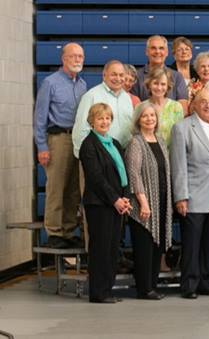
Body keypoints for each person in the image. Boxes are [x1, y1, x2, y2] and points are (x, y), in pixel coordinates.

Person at [169, 89, 209, 299]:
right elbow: (178, 166)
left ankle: (206, 282)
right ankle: (189, 285)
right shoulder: (182, 128)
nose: (208, 105)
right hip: (193, 195)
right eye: (203, 101)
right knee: (192, 244)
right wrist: (180, 196)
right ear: (194, 104)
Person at [79, 103, 132, 303]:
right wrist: (115, 199)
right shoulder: (88, 145)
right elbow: (96, 178)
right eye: (100, 118)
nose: (104, 121)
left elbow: (123, 174)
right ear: (92, 121)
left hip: (116, 204)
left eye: (107, 118)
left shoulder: (115, 143)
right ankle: (98, 292)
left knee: (112, 248)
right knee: (100, 249)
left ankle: (108, 290)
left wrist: (125, 196)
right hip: (99, 204)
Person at [34, 42, 86, 249]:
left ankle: (68, 229)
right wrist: (41, 147)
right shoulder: (50, 82)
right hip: (57, 139)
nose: (77, 60)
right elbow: (39, 118)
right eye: (73, 56)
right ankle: (54, 231)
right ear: (63, 59)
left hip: (77, 140)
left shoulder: (82, 84)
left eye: (80, 57)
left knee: (74, 188)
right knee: (56, 187)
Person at [124, 103, 172, 300]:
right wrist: (144, 203)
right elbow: (134, 174)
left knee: (156, 247)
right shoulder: (136, 142)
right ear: (138, 120)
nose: (149, 119)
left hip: (161, 201)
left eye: (152, 115)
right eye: (145, 116)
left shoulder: (160, 141)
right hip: (143, 204)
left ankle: (152, 285)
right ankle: (144, 288)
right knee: (144, 247)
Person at [73, 61, 135, 158]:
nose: (118, 78)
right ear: (104, 75)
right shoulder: (91, 96)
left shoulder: (126, 98)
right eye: (113, 74)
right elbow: (81, 128)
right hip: (98, 155)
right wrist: (85, 157)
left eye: (121, 75)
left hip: (122, 154)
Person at [133, 36, 189, 102]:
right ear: (146, 52)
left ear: (167, 52)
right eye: (153, 48)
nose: (157, 51)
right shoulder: (137, 76)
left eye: (161, 48)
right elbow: (135, 107)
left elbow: (182, 107)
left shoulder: (177, 77)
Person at [142, 67, 184, 147]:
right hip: (149, 155)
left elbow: (180, 136)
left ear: (168, 86)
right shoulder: (141, 107)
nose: (159, 88)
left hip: (171, 155)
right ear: (149, 84)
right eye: (155, 83)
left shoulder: (176, 107)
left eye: (163, 84)